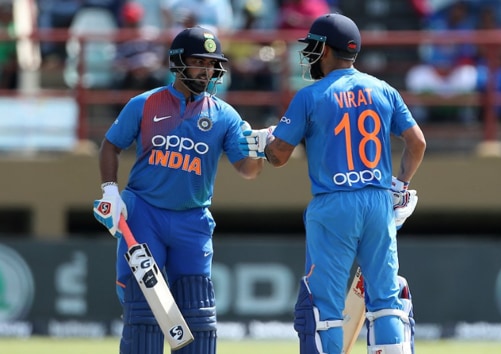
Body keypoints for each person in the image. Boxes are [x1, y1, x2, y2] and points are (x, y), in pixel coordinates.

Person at [240, 13, 426, 354]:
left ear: (325, 49)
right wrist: (399, 185)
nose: (309, 54)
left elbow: (279, 156)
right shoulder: (383, 89)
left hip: (334, 204)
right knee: (385, 300)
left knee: (323, 305)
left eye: (312, 47)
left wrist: (264, 142)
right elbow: (417, 143)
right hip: (378, 202)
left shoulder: (311, 96)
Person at [92, 26, 263, 354]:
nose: (208, 70)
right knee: (144, 314)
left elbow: (247, 170)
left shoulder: (225, 115)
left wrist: (258, 150)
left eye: (212, 64)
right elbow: (110, 146)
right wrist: (111, 190)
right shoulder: (145, 104)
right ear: (178, 62)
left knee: (197, 316)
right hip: (143, 213)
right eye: (200, 61)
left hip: (193, 220)